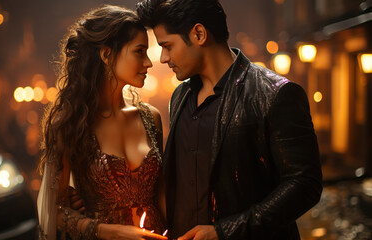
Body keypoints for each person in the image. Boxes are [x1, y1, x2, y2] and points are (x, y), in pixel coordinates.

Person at [136, 0, 323, 239]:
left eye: (168, 46)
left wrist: (224, 232)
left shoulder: (274, 94)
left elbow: (305, 185)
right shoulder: (180, 97)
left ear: (199, 34)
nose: (163, 57)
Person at [37, 5, 168, 240]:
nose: (148, 63)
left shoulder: (151, 118)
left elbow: (162, 197)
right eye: (139, 52)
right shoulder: (70, 124)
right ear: (106, 54)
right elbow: (52, 211)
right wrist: (106, 230)